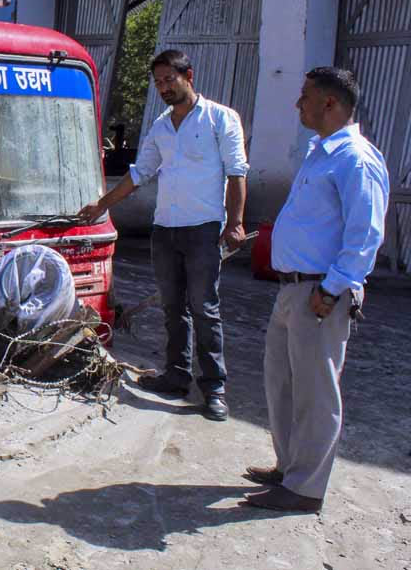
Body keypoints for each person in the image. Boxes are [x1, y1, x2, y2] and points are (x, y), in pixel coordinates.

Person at [243, 67, 389, 513]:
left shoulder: (355, 159)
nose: (297, 104)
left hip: (320, 294)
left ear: (330, 103)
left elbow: (365, 236)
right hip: (293, 289)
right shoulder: (320, 152)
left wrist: (331, 290)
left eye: (304, 96)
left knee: (316, 392)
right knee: (282, 383)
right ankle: (290, 468)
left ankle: (305, 489)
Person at [77, 49, 248, 420]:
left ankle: (214, 388)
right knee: (173, 309)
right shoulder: (160, 126)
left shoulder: (220, 118)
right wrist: (102, 204)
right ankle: (176, 375)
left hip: (204, 229)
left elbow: (237, 172)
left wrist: (235, 223)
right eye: (158, 83)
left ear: (189, 76)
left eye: (170, 79)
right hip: (166, 230)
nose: (164, 88)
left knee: (204, 308)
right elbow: (140, 173)